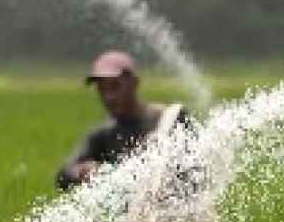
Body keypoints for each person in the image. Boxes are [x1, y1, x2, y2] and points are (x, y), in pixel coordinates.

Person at [55, 50, 192, 191]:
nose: (109, 97)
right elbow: (63, 175)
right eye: (102, 89)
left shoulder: (170, 119)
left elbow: (196, 171)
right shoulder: (104, 135)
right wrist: (82, 171)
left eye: (115, 87)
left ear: (134, 83)